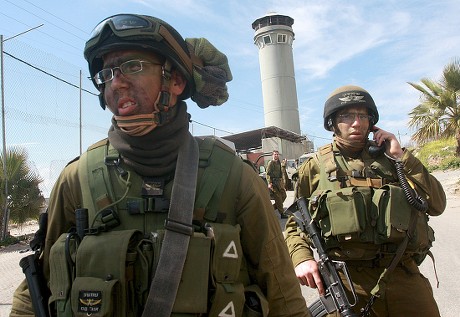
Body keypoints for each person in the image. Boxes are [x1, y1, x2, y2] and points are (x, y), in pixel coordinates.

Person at [11, 14, 310, 317]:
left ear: (176, 80)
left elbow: (283, 295)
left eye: (133, 66)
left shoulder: (233, 178)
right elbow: (36, 287)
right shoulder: (78, 178)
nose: (117, 81)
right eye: (107, 72)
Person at [285, 85, 446, 316]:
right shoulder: (314, 167)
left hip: (402, 274)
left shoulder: (394, 158)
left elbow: (437, 204)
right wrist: (302, 258)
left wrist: (402, 158)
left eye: (362, 116)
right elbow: (295, 223)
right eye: (347, 116)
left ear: (372, 122)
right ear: (332, 122)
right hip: (348, 282)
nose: (356, 123)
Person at [266, 150, 288, 218]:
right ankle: (282, 214)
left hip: (279, 183)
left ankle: (271, 209)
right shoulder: (271, 163)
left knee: (284, 196)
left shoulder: (279, 163)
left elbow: (282, 172)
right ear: (272, 155)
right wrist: (269, 183)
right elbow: (268, 174)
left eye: (277, 154)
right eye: (275, 154)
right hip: (274, 184)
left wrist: (284, 164)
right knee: (278, 199)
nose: (276, 155)